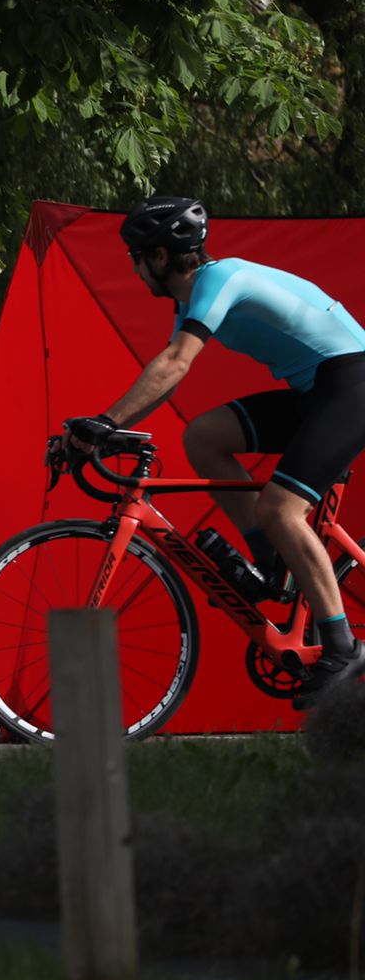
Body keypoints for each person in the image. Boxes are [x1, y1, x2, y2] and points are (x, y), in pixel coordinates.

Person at [69, 195, 365, 709]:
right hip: (319, 388)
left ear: (160, 257)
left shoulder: (218, 280)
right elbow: (164, 381)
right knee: (203, 437)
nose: (136, 271)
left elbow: (175, 363)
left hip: (352, 382)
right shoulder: (193, 298)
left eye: (136, 258)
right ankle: (273, 561)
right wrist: (103, 428)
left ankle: (341, 646)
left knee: (280, 507)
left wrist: (107, 422)